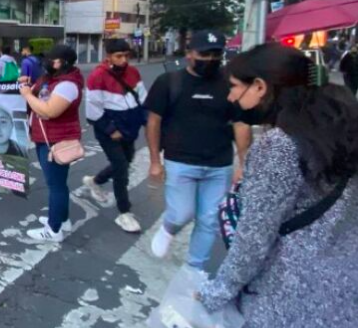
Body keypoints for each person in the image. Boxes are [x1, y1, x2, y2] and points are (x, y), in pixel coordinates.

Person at [197, 43, 358, 327]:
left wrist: (216, 293)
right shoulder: (340, 126)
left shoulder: (279, 147)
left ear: (260, 86)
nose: (231, 96)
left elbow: (254, 238)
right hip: (344, 292)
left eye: (234, 87)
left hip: (287, 294)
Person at [145, 30, 253, 270]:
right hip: (180, 161)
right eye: (204, 54)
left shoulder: (230, 84)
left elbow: (241, 123)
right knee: (182, 213)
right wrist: (155, 160)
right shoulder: (169, 82)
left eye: (216, 54)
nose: (210, 59)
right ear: (189, 53)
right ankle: (169, 227)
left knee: (209, 221)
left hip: (220, 165)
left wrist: (244, 164)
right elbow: (154, 121)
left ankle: (194, 270)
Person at [83, 38, 149, 233]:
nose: (123, 60)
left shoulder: (133, 72)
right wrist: (112, 130)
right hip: (108, 131)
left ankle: (94, 181)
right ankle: (124, 213)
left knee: (126, 161)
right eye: (119, 56)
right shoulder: (97, 77)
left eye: (126, 56)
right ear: (109, 56)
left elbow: (142, 100)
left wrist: (147, 123)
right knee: (121, 168)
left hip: (130, 129)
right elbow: (92, 111)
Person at [19, 45, 84, 242]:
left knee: (55, 185)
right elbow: (39, 92)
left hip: (55, 141)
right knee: (58, 184)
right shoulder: (52, 79)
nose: (46, 62)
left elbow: (49, 111)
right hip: (45, 138)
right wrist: (27, 85)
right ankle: (62, 219)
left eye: (51, 59)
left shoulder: (67, 85)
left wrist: (28, 95)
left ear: (62, 62)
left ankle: (53, 230)